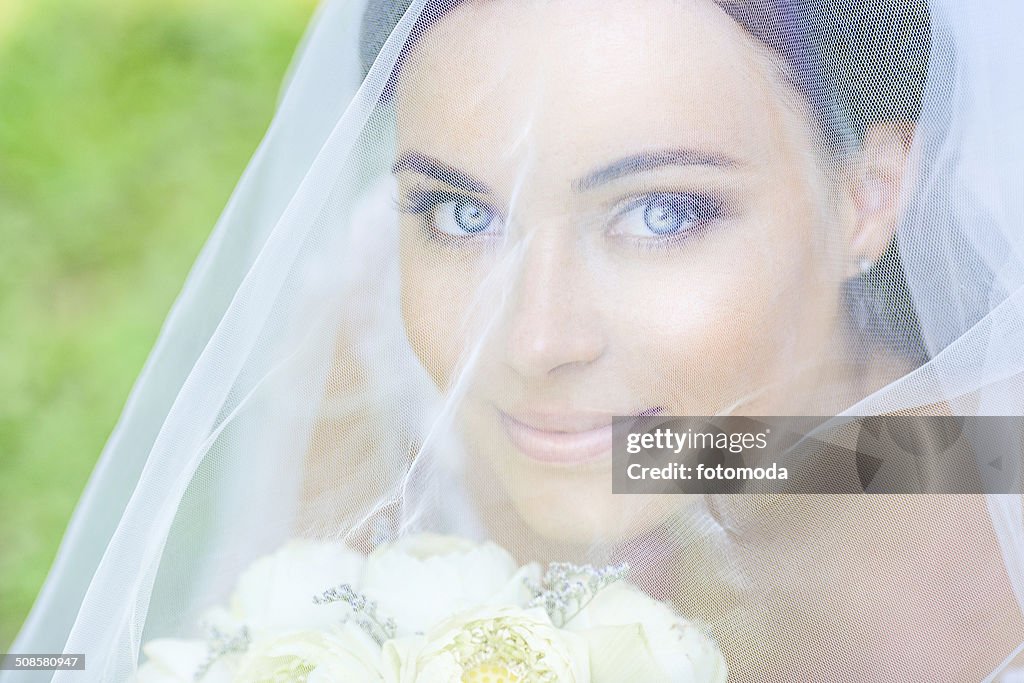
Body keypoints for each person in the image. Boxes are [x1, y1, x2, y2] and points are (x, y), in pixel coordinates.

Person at [9, 0, 1024, 681]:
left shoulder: (990, 473)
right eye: (459, 213)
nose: (534, 338)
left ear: (868, 192)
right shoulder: (375, 331)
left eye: (663, 212)